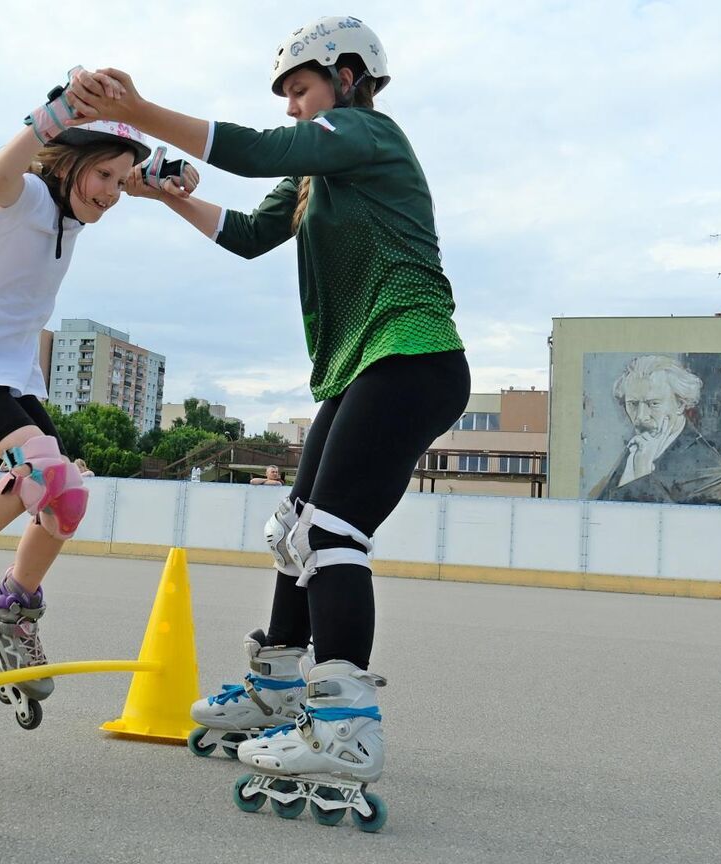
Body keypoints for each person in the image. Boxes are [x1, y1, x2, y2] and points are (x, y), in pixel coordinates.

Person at [70, 16, 469, 822]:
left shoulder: (364, 133)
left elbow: (259, 148)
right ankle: (280, 687)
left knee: (332, 533)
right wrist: (160, 194)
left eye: (300, 89)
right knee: (294, 528)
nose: (291, 107)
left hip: (412, 352)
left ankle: (347, 728)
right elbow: (252, 234)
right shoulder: (321, 174)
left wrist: (140, 110)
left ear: (347, 76)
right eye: (285, 96)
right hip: (362, 363)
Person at [0, 67, 199, 727]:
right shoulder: (24, 198)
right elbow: (0, 173)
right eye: (100, 178)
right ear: (68, 162)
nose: (110, 194)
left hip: (15, 375)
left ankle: (11, 614)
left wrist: (166, 175)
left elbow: (130, 173)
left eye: (117, 182)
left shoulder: (77, 212)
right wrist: (50, 117)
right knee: (46, 473)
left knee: (66, 495)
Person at [589, 355, 721, 505]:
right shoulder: (639, 447)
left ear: (680, 404)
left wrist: (643, 474)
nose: (641, 417)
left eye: (653, 403)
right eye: (633, 404)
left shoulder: (712, 470)